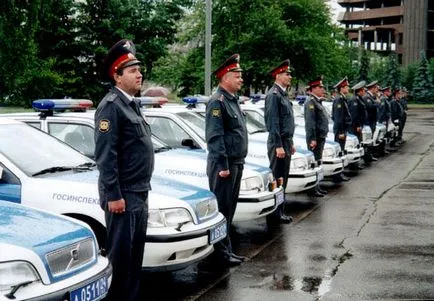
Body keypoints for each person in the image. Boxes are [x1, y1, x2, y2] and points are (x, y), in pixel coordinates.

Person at [94, 39, 154, 301]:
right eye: (132, 71)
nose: (139, 74)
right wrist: (114, 194)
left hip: (138, 192)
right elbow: (106, 156)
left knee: (134, 257)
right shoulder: (111, 106)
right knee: (121, 259)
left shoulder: (130, 104)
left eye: (139, 69)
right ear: (117, 77)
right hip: (123, 196)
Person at [205, 54, 248, 266]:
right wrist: (222, 165)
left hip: (236, 162)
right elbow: (215, 136)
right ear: (224, 77)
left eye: (241, 75)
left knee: (229, 209)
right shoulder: (217, 102)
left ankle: (226, 249)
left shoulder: (232, 100)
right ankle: (220, 253)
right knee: (221, 209)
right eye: (236, 75)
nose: (241, 79)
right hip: (224, 166)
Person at [264, 59, 295, 224]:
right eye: (286, 74)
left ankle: (280, 210)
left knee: (283, 178)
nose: (289, 77)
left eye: (290, 74)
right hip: (279, 142)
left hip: (285, 141)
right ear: (278, 75)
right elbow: (273, 122)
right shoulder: (274, 95)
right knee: (278, 178)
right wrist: (278, 145)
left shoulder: (282, 94)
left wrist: (290, 143)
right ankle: (275, 212)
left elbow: (286, 121)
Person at [304, 77, 329, 197]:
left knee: (318, 162)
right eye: (320, 87)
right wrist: (312, 138)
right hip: (316, 138)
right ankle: (313, 188)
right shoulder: (310, 102)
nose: (322, 89)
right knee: (315, 163)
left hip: (320, 136)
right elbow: (310, 123)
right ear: (313, 89)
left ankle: (317, 186)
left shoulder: (317, 101)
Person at [331, 77, 351, 181]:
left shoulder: (342, 99)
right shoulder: (339, 99)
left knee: (341, 151)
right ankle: (338, 174)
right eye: (346, 87)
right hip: (340, 131)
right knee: (339, 151)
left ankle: (340, 172)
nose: (348, 88)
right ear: (342, 88)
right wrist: (340, 132)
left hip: (343, 130)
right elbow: (338, 118)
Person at [348, 80, 367, 168]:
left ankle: (356, 163)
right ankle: (353, 164)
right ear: (360, 91)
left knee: (358, 144)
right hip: (355, 126)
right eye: (363, 90)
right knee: (355, 144)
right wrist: (358, 125)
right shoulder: (354, 100)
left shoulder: (358, 98)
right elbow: (355, 115)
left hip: (358, 126)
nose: (365, 92)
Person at [363, 80, 380, 161]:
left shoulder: (371, 97)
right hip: (369, 122)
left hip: (372, 121)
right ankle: (367, 156)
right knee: (368, 139)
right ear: (372, 88)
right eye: (376, 88)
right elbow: (370, 107)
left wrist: (376, 101)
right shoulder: (367, 97)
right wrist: (377, 101)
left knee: (371, 139)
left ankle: (369, 155)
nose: (377, 90)